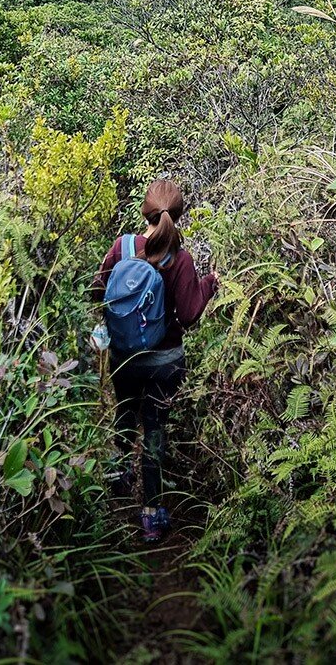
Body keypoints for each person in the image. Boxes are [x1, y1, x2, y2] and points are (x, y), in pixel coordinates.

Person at [90, 178, 218, 543]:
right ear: (179, 216)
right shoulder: (181, 259)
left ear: (144, 210)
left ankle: (117, 475)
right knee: (155, 429)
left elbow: (98, 290)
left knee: (126, 412)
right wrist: (209, 283)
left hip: (124, 357)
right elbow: (190, 314)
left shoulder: (122, 246)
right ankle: (152, 514)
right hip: (165, 362)